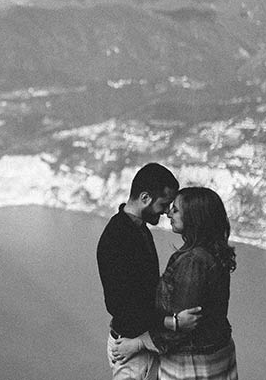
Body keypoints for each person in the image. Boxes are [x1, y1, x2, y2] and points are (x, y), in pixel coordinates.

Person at [110, 187, 238, 380]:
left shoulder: (193, 261)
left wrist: (139, 343)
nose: (168, 213)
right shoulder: (212, 252)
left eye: (175, 210)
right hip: (217, 354)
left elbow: (186, 325)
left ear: (194, 217)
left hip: (192, 362)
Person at [97, 163, 202, 380]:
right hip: (130, 351)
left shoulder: (138, 229)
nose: (166, 211)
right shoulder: (117, 239)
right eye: (163, 204)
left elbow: (145, 291)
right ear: (145, 198)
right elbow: (119, 305)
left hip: (141, 345)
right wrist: (171, 322)